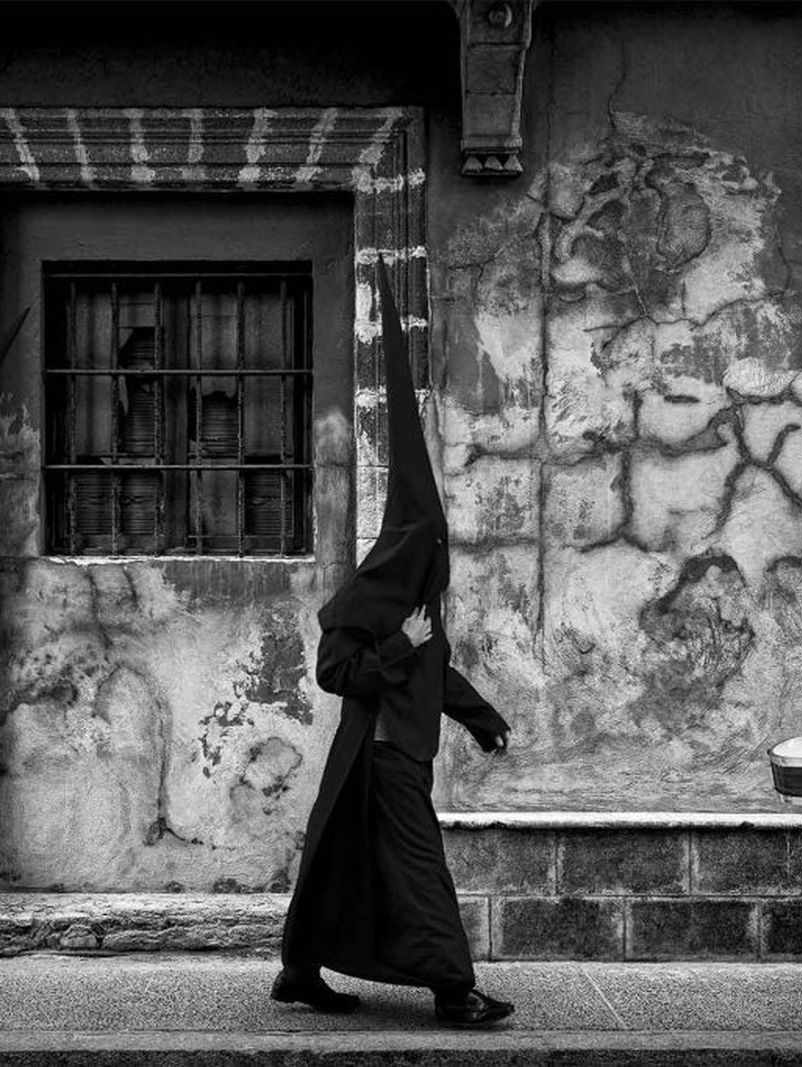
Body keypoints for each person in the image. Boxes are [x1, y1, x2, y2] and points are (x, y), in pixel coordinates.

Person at [273, 265, 515, 1029]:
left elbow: (439, 671)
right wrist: (400, 650)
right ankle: (453, 989)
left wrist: (483, 718)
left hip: (395, 755)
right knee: (417, 870)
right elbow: (336, 671)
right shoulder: (372, 600)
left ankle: (300, 971)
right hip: (376, 758)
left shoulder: (416, 608)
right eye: (435, 549)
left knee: (342, 868)